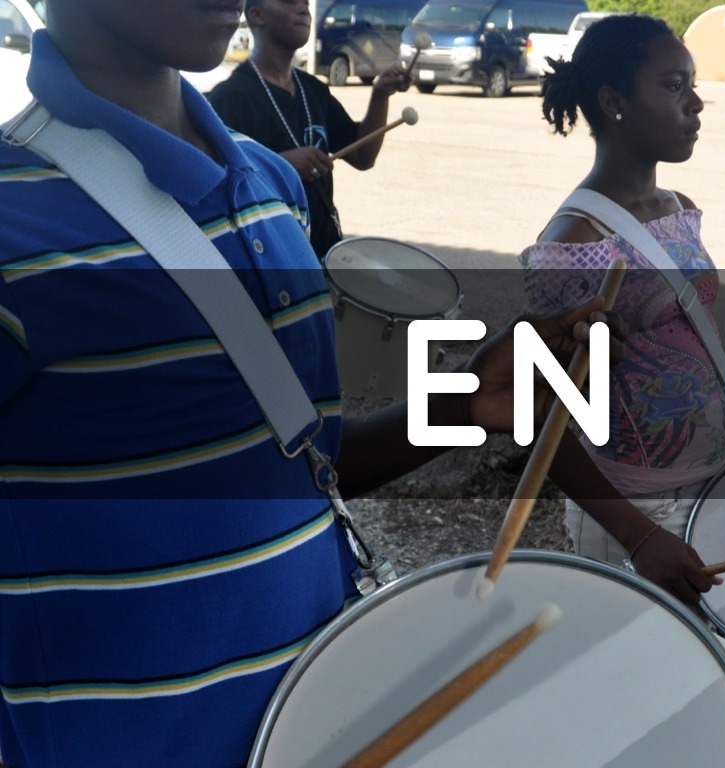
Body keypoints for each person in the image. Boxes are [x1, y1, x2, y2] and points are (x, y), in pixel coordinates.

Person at [0, 2, 618, 766]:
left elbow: (305, 462)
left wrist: (462, 402)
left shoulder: (270, 186)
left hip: (317, 726)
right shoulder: (15, 219)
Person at [519, 14, 725, 609]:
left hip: (714, 487)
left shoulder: (677, 208)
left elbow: (685, 346)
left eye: (693, 84)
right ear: (614, 102)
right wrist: (640, 537)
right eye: (672, 85)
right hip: (638, 514)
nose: (696, 103)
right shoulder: (574, 242)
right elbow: (537, 419)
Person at [208, 0, 410, 259]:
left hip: (323, 254)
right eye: (289, 1)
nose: (304, 9)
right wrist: (279, 165)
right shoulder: (229, 99)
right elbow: (216, 189)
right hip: (271, 259)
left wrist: (380, 95)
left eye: (305, 2)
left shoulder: (313, 89)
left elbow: (363, 156)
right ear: (257, 15)